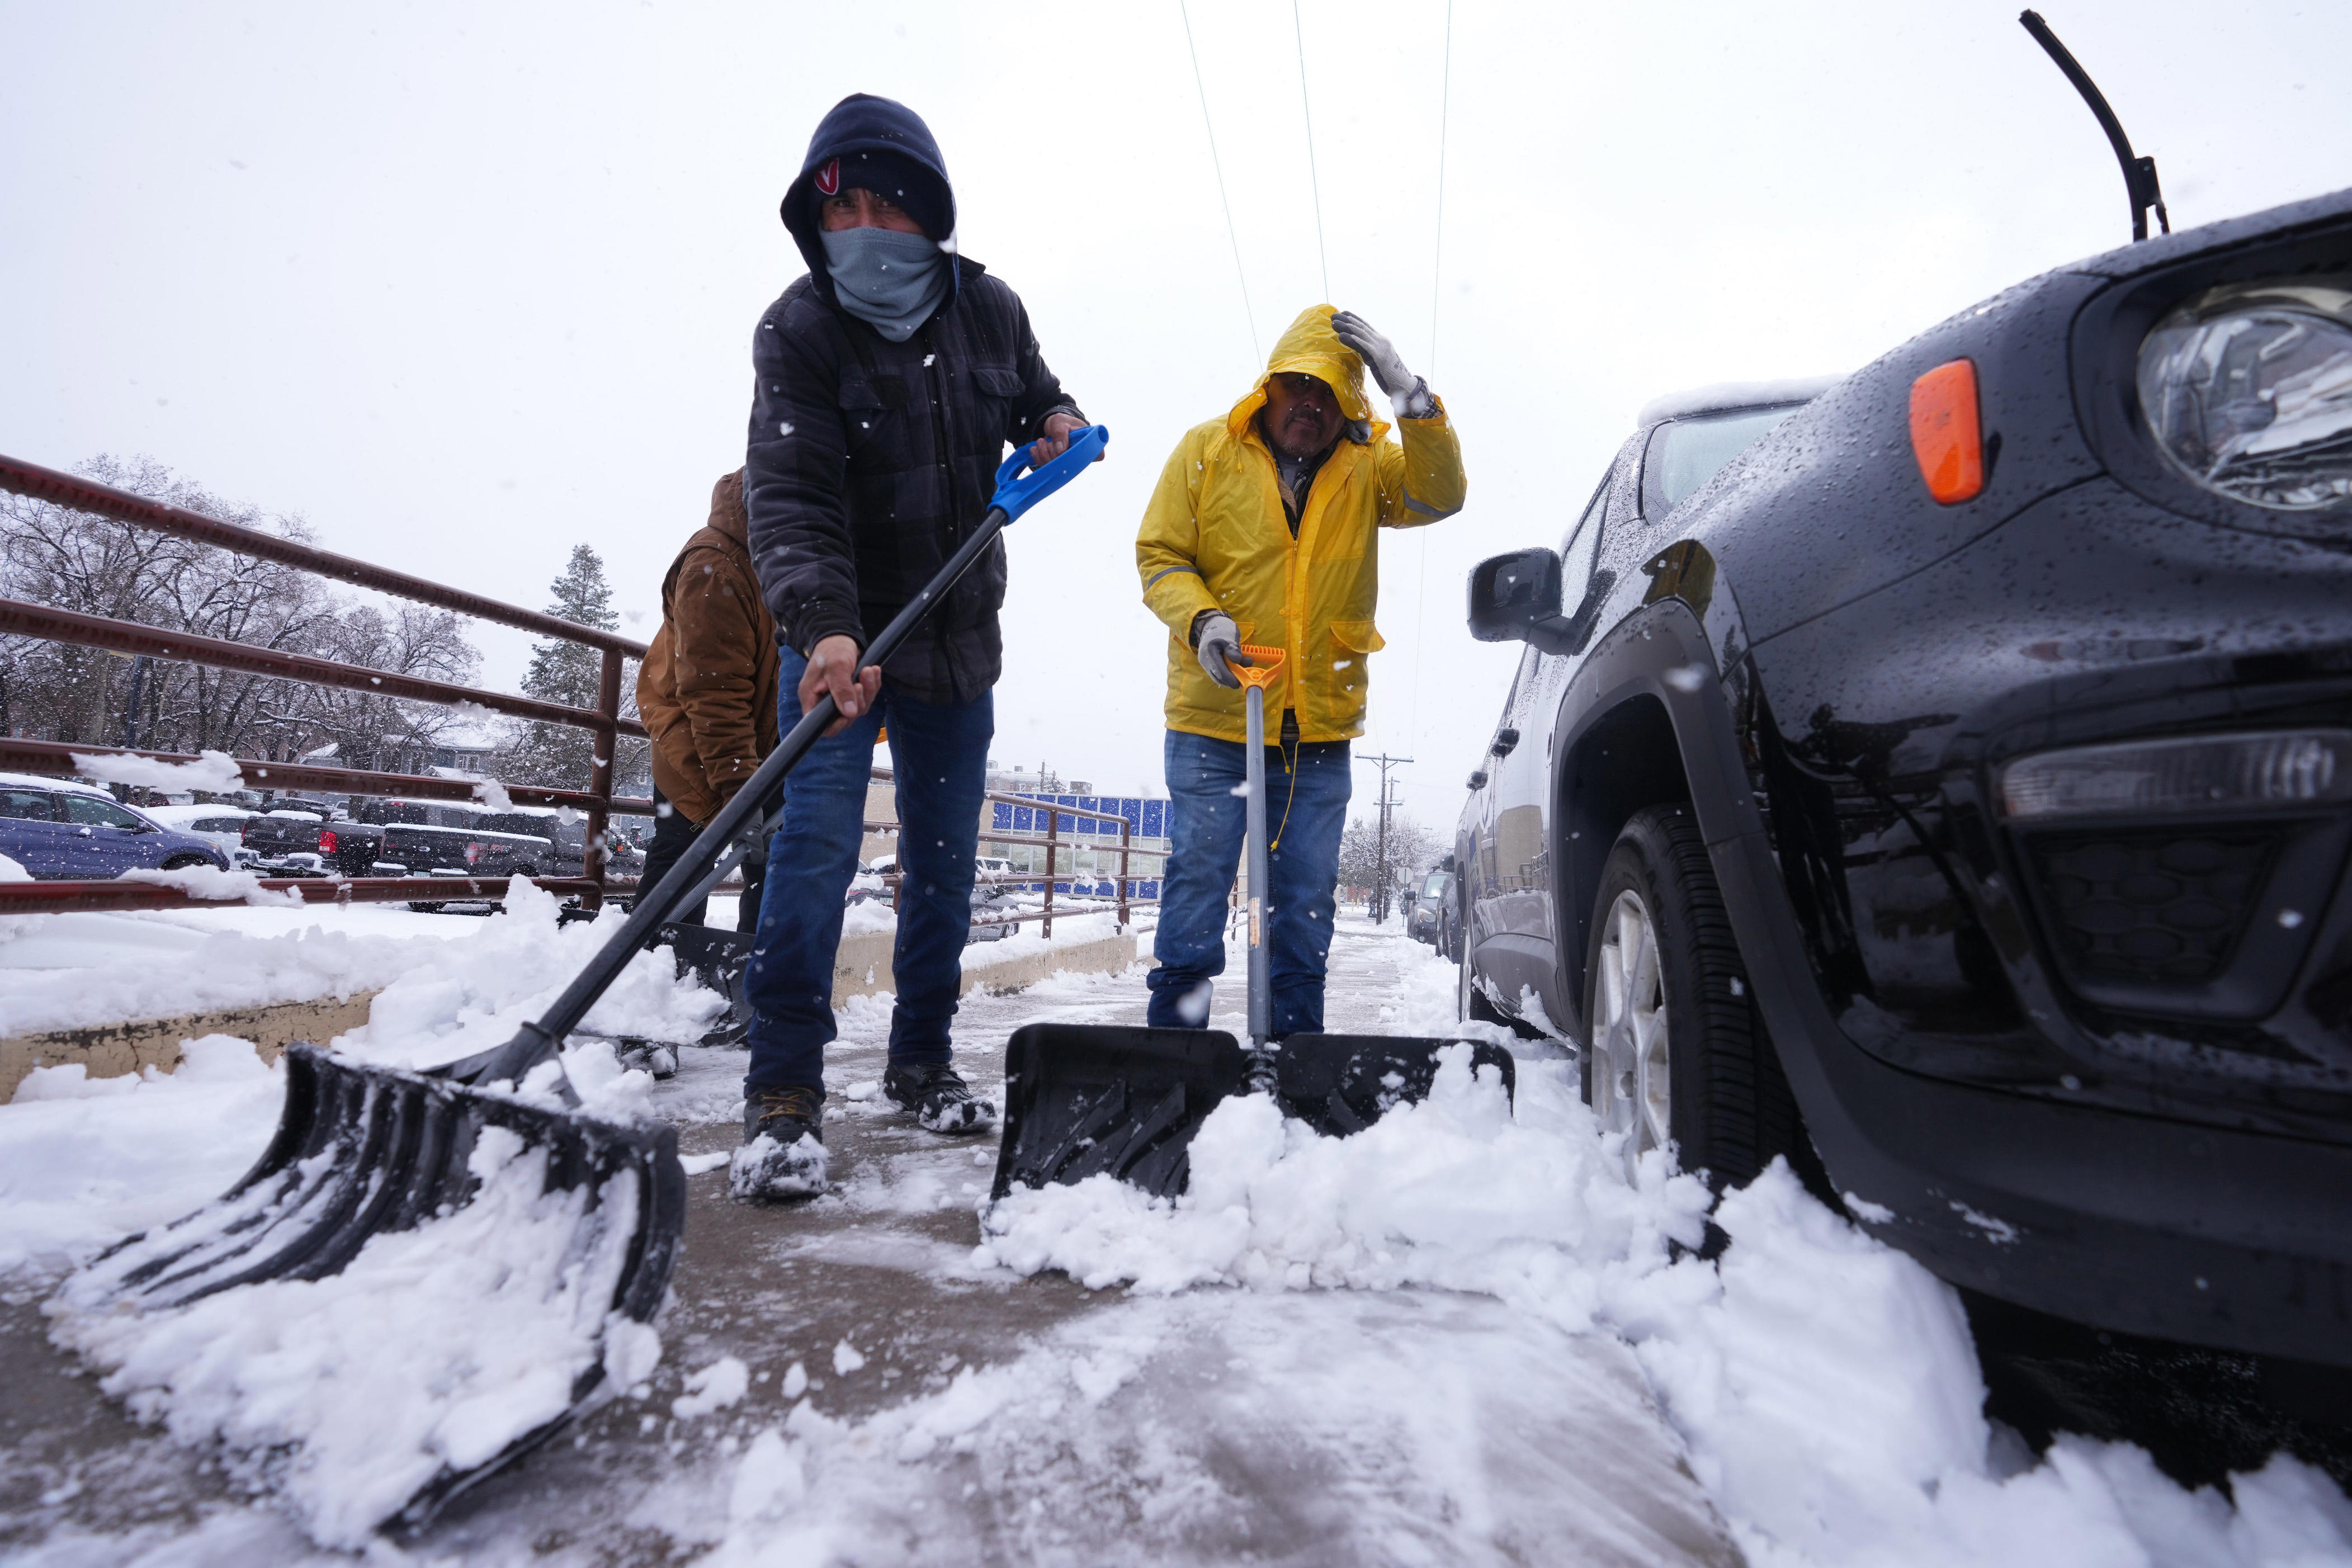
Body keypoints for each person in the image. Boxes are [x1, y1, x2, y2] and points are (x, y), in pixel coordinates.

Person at [733, 93, 1087, 1198]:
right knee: (816, 853)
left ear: (930, 216)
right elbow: (789, 497)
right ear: (816, 218)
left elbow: (1039, 400)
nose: (872, 231)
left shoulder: (992, 311)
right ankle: (784, 1088)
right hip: (843, 632)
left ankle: (921, 1060)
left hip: (955, 637)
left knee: (940, 867)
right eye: (850, 211)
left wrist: (1059, 423)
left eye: (895, 207)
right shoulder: (799, 330)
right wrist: (826, 631)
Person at [1135, 305, 1463, 1035]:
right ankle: (1174, 1050)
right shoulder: (1206, 453)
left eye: (1328, 393)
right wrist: (1201, 620)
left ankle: (1291, 1055)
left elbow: (1440, 494)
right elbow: (1159, 557)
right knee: (1196, 887)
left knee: (1305, 903)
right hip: (1211, 724)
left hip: (1318, 730)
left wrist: (1406, 392)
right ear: (1268, 389)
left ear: (1348, 404)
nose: (1310, 404)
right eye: (1296, 386)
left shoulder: (1368, 465)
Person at [635, 469, 780, 932]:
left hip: (769, 746)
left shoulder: (794, 556)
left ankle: (754, 979)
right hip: (699, 745)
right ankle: (646, 969)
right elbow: (713, 694)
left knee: (775, 864)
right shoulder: (715, 568)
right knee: (684, 856)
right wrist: (741, 791)